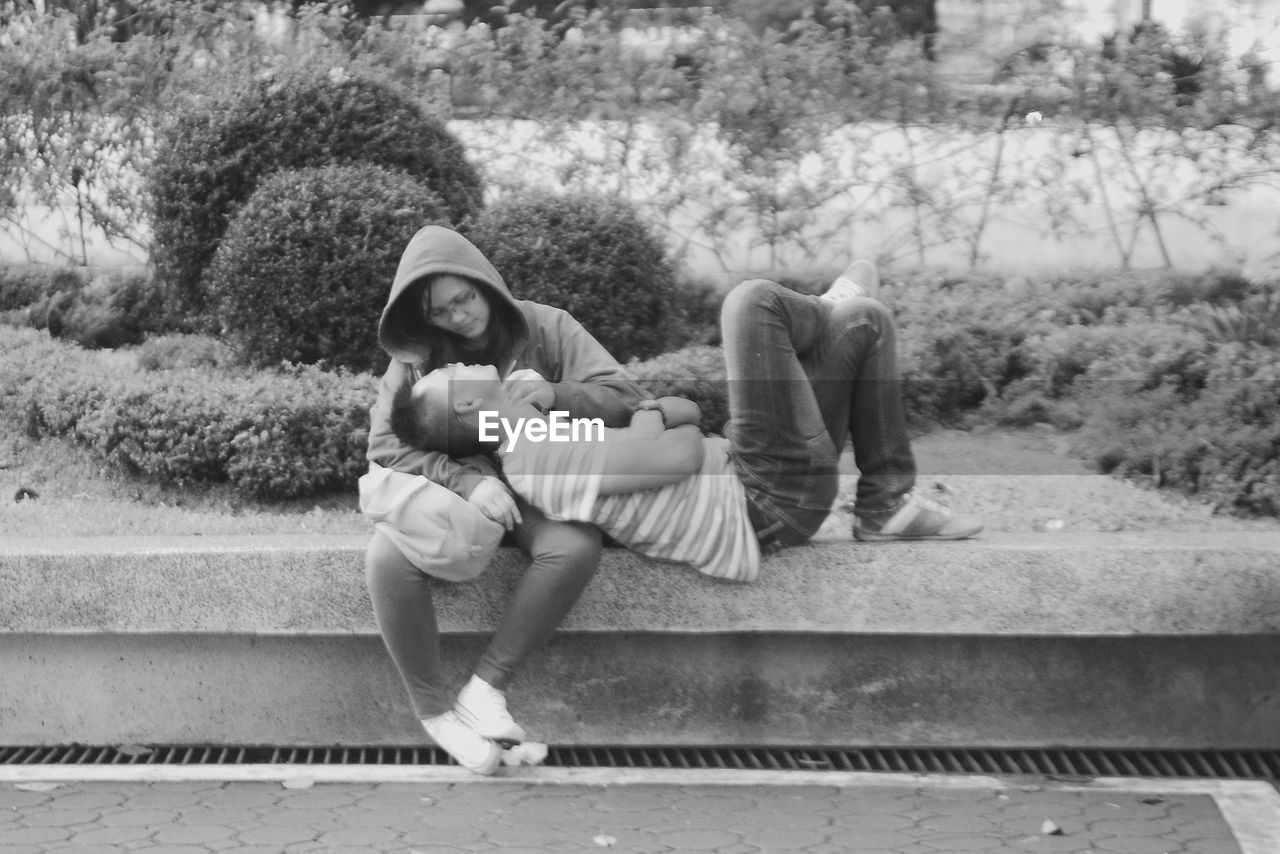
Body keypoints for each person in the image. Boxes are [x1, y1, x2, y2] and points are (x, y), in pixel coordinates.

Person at [394, 262, 983, 589]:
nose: (459, 358)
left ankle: (887, 502)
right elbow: (675, 446)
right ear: (470, 409)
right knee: (749, 303)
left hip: (750, 477)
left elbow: (658, 419)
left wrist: (636, 414)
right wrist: (660, 417)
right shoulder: (533, 454)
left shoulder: (532, 421)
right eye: (454, 376)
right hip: (760, 499)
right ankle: (822, 308)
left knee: (864, 322)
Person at [364, 225, 648, 776]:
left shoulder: (548, 326)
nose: (459, 317)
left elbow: (628, 401)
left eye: (464, 298)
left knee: (573, 547)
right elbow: (384, 443)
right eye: (440, 312)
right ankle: (436, 714)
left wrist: (557, 395)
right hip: (465, 487)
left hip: (542, 481)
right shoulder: (417, 357)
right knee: (386, 556)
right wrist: (468, 481)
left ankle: (485, 690)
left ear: (484, 284)